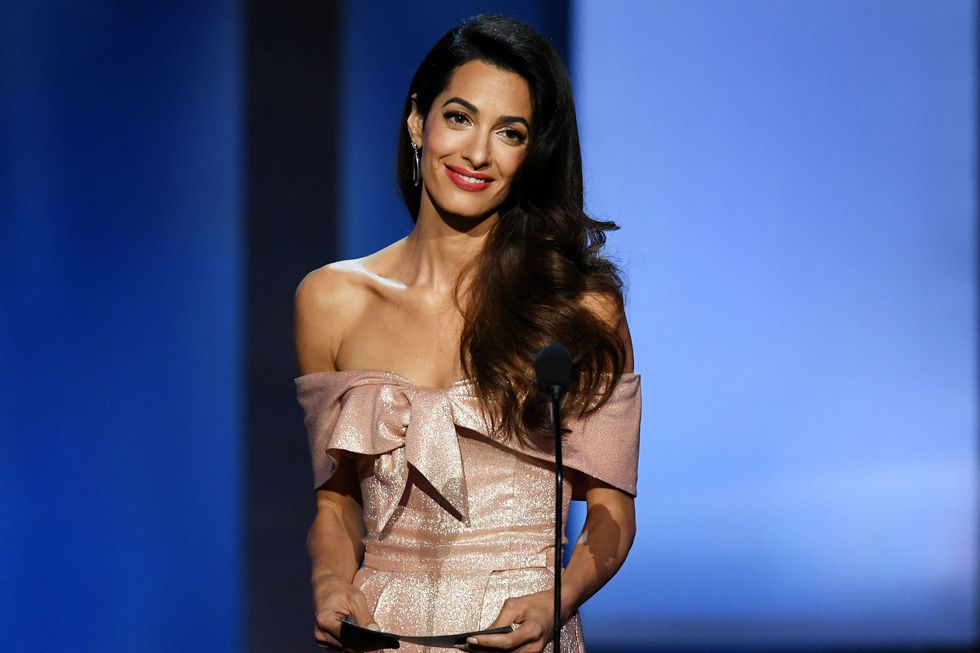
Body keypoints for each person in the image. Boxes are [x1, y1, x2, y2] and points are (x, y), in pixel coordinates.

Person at [294, 14, 640, 653]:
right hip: (380, 634)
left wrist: (557, 601)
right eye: (459, 117)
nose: (478, 153)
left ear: (532, 155)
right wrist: (331, 584)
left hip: (520, 635)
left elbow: (612, 512)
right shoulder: (331, 301)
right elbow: (336, 505)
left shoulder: (580, 307)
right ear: (417, 120)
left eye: (510, 133)